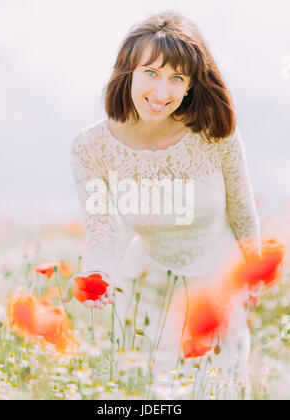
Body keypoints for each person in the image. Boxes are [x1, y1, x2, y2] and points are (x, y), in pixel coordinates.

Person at [63, 10, 261, 399]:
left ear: (190, 86)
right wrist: (97, 280)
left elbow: (241, 210)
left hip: (218, 293)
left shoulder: (214, 134)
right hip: (147, 297)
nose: (162, 90)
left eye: (177, 78)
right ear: (128, 72)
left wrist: (252, 279)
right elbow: (102, 236)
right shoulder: (90, 148)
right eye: (151, 72)